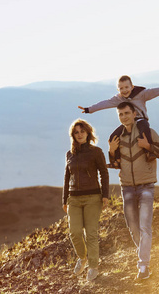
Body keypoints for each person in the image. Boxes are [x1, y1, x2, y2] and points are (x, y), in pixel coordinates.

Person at [108, 102, 159, 280]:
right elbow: (115, 163)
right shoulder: (117, 137)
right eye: (120, 114)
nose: (124, 117)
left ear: (134, 114)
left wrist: (148, 146)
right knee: (133, 227)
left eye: (127, 113)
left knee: (144, 226)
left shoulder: (147, 133)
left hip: (146, 185)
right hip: (126, 187)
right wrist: (111, 152)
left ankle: (143, 267)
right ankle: (144, 252)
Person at [78, 75, 159, 168]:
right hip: (127, 123)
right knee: (113, 136)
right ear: (118, 90)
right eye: (121, 88)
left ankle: (149, 153)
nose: (124, 90)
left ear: (132, 86)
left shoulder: (141, 94)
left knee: (144, 128)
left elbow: (154, 91)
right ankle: (117, 161)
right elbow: (105, 103)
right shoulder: (118, 99)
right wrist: (89, 109)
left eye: (126, 87)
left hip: (140, 119)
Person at [62, 118, 109, 281]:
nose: (79, 134)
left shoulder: (96, 152)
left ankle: (93, 266)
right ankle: (82, 258)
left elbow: (104, 172)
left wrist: (105, 195)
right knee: (74, 232)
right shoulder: (70, 154)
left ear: (88, 133)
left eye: (82, 131)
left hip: (93, 198)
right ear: (72, 135)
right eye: (76, 132)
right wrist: (64, 200)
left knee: (91, 234)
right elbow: (67, 177)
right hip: (73, 199)